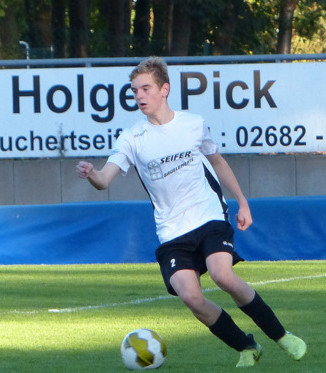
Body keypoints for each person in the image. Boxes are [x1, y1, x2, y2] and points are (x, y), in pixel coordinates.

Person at [76, 57, 306, 368]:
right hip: (172, 231)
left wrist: (242, 201)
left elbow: (219, 162)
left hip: (208, 215)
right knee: (191, 298)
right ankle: (247, 346)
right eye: (134, 91)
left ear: (164, 89)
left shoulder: (192, 124)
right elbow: (104, 180)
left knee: (223, 275)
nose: (139, 96)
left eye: (145, 88)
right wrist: (91, 172)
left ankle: (281, 336)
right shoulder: (132, 139)